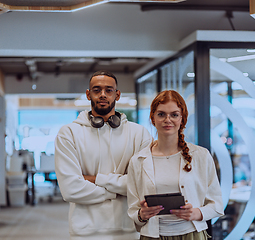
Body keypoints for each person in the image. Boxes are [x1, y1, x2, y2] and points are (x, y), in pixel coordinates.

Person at [54, 70, 152, 240]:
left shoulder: (139, 133)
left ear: (118, 94)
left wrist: (94, 179)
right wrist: (120, 190)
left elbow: (143, 184)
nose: (103, 95)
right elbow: (70, 189)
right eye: (97, 90)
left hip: (129, 229)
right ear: (88, 94)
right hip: (84, 232)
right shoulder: (69, 133)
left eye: (109, 90)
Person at [127, 90, 224, 240]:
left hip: (192, 234)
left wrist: (197, 213)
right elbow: (133, 210)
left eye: (174, 114)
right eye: (161, 114)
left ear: (182, 119)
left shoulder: (201, 156)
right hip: (153, 236)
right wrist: (142, 215)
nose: (168, 119)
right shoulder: (137, 160)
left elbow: (217, 204)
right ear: (153, 118)